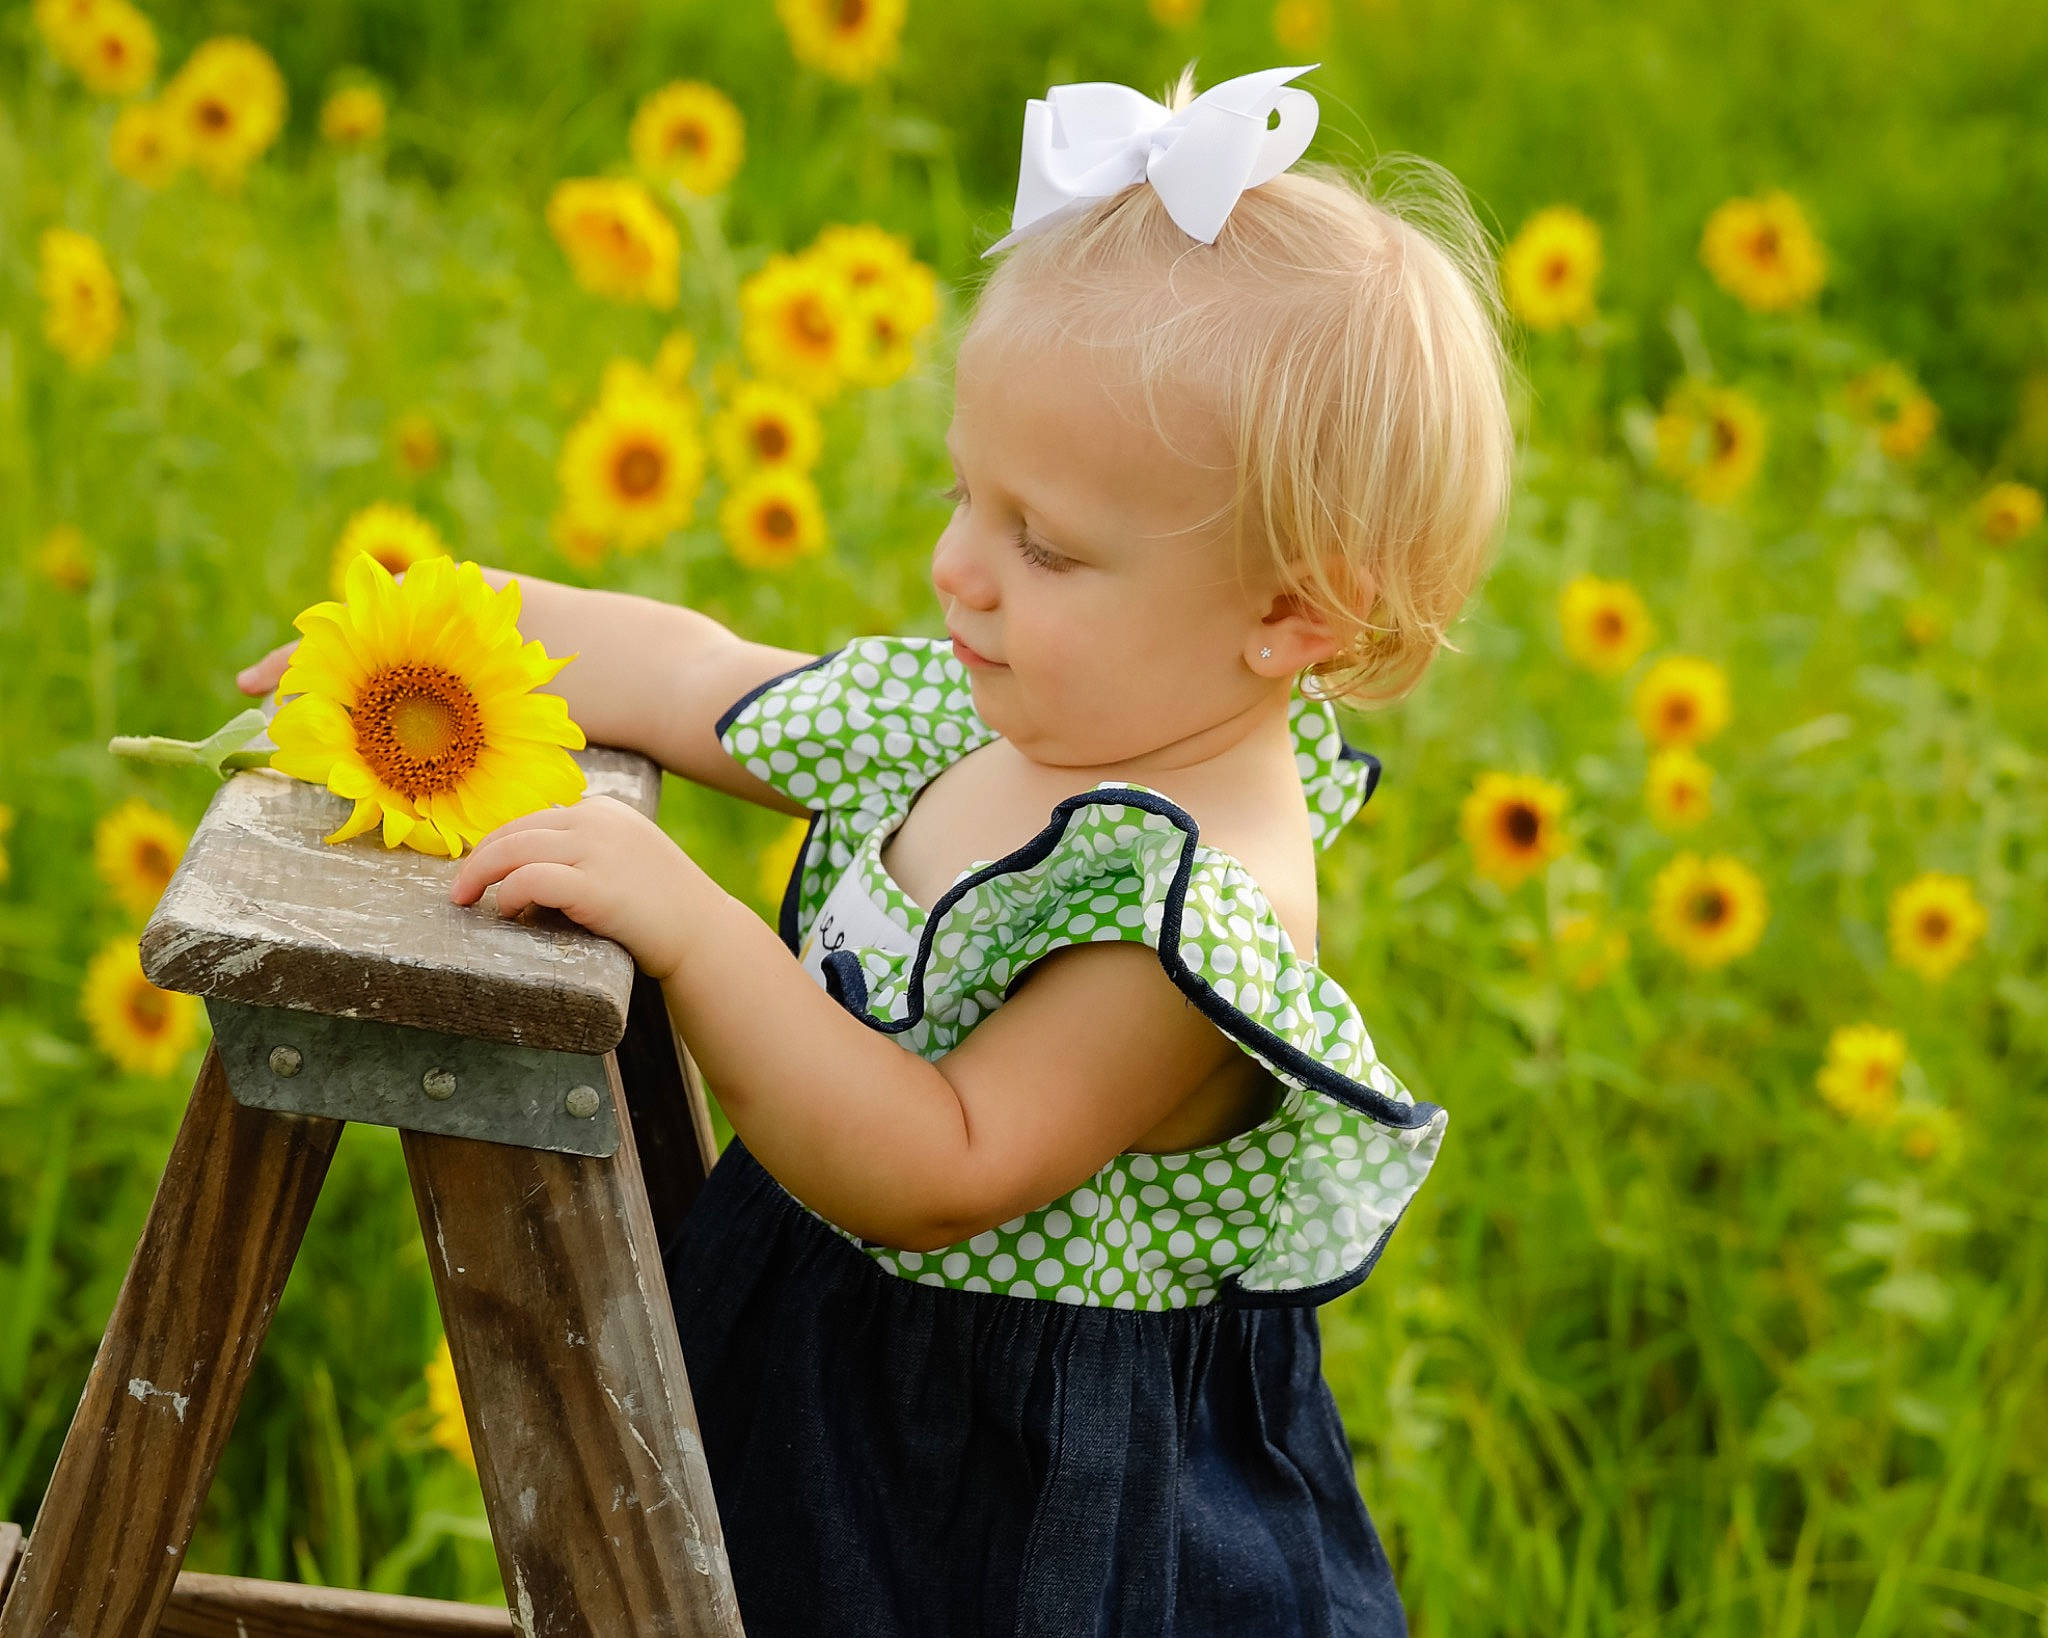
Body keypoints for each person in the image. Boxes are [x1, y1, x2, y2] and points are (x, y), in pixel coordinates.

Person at [238, 61, 1512, 1638]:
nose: (957, 567)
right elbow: (705, 680)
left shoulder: (1186, 914)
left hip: (992, 1498)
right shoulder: (1011, 714)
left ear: (1291, 615)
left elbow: (939, 1163)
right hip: (832, 1366)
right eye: (963, 493)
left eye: (1043, 542)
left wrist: (696, 933)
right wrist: (457, 631)